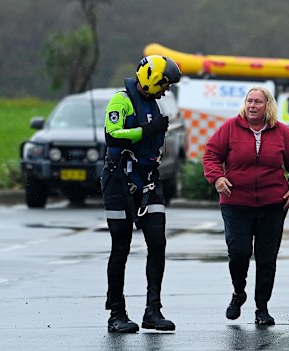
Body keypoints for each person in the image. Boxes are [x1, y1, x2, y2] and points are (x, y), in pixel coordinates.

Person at [202, 87, 289, 326]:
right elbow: (211, 155)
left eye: (258, 102)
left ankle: (262, 307)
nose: (252, 105)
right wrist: (217, 177)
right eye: (249, 101)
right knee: (238, 253)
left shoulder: (282, 132)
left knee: (266, 257)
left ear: (267, 106)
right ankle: (239, 292)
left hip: (272, 205)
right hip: (236, 203)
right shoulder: (230, 127)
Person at [100, 55, 182, 333]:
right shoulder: (121, 101)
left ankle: (153, 311)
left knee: (157, 243)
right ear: (152, 80)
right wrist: (149, 130)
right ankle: (116, 313)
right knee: (120, 247)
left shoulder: (153, 104)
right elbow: (113, 135)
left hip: (148, 184)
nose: (166, 90)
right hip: (119, 183)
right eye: (165, 84)